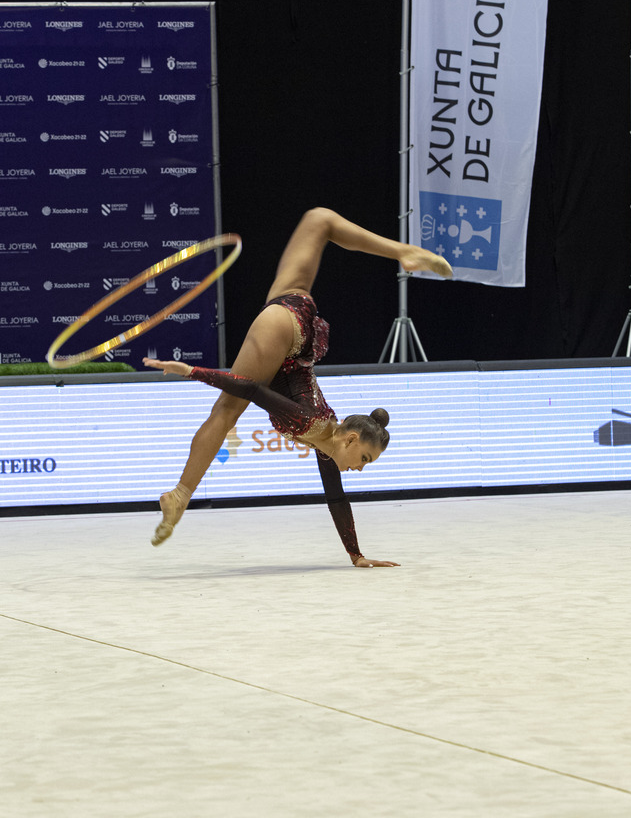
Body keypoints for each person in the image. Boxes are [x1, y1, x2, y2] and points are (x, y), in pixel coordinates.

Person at [142, 206, 452, 567]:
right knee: (226, 411)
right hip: (285, 330)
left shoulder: (327, 442)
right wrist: (191, 371)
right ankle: (181, 495)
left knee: (319, 220)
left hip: (294, 312)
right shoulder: (311, 424)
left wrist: (357, 556)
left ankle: (404, 252)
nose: (361, 469)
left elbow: (336, 498)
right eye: (365, 459)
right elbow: (251, 390)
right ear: (351, 440)